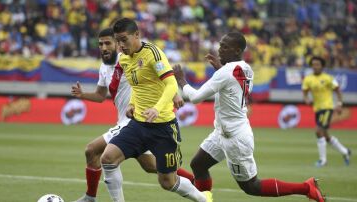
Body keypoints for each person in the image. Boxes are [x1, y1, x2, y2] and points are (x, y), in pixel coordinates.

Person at [173, 32, 326, 202]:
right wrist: (220, 69)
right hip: (223, 132)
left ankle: (306, 187)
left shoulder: (226, 73)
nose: (219, 50)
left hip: (235, 137)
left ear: (237, 50)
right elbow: (233, 84)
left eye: (225, 47)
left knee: (252, 186)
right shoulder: (246, 68)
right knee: (198, 164)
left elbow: (195, 98)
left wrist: (182, 80)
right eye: (220, 45)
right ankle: (204, 199)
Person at [100, 18, 212, 202]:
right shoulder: (125, 59)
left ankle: (203, 199)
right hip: (138, 124)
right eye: (117, 41)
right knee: (108, 159)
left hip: (163, 127)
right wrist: (132, 104)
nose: (120, 45)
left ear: (137, 35)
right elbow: (139, 86)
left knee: (167, 181)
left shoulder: (153, 53)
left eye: (124, 39)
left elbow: (170, 83)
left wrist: (157, 109)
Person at [71, 28, 188, 202]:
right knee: (152, 166)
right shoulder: (104, 67)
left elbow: (160, 73)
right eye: (101, 44)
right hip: (130, 121)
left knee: (94, 151)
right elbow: (101, 95)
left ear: (118, 43)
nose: (104, 48)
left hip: (133, 120)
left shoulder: (128, 57)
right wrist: (83, 95)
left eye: (108, 43)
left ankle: (90, 197)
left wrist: (176, 94)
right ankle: (195, 182)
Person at [302, 56, 351, 167]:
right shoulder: (308, 79)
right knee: (325, 135)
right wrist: (306, 99)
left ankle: (323, 160)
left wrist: (339, 104)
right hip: (317, 109)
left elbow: (338, 91)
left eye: (317, 64)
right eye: (313, 65)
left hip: (327, 107)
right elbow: (305, 91)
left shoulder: (328, 78)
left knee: (318, 131)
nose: (315, 67)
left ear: (322, 66)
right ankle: (345, 152)